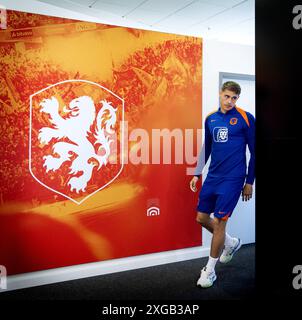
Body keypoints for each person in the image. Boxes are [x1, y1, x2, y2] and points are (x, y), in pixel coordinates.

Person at [190, 81, 255, 288]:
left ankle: (209, 271)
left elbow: (255, 152)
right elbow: (206, 148)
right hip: (213, 177)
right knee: (201, 218)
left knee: (219, 222)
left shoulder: (246, 118)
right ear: (220, 94)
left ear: (238, 98)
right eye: (227, 96)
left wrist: (249, 181)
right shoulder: (211, 118)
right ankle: (231, 243)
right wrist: (197, 173)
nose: (230, 101)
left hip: (234, 179)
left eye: (234, 98)